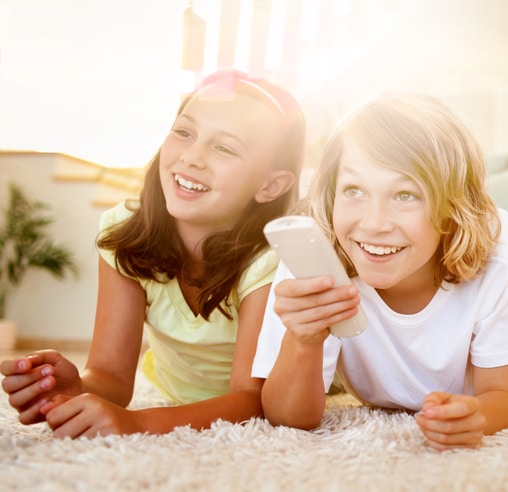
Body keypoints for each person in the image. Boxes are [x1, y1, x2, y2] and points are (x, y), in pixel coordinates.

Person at [252, 93, 508, 451]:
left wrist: (479, 415)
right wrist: (303, 341)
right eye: (354, 190)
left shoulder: (504, 247)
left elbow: (504, 396)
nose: (374, 223)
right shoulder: (313, 259)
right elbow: (288, 419)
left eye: (405, 195)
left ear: (452, 206)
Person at [0, 70, 306, 437]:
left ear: (270, 185)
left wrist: (137, 423)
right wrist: (77, 388)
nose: (192, 157)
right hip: (176, 397)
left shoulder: (270, 260)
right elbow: (111, 376)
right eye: (184, 132)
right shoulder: (123, 234)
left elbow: (250, 400)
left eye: (224, 147)